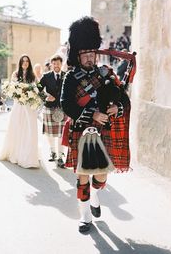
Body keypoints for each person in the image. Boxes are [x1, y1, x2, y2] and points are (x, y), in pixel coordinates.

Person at [61, 16, 131, 233]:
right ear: (78, 55)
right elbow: (66, 105)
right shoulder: (71, 78)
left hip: (104, 132)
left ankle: (96, 196)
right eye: (86, 54)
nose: (90, 57)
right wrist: (92, 114)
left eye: (93, 53)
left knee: (101, 176)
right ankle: (84, 217)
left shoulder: (106, 74)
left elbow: (125, 101)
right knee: (82, 175)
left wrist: (115, 108)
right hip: (82, 131)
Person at [0, 54, 40, 168]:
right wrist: (20, 93)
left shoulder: (33, 75)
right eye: (23, 61)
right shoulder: (16, 74)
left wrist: (33, 94)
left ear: (29, 63)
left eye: (27, 61)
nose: (25, 63)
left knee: (29, 129)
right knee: (18, 127)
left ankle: (29, 155)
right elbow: (12, 89)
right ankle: (17, 154)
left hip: (29, 107)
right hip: (19, 106)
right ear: (20, 63)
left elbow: (37, 88)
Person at [39, 54, 66, 168]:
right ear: (51, 64)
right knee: (49, 133)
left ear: (61, 64)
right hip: (49, 108)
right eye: (54, 63)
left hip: (62, 108)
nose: (56, 65)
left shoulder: (66, 76)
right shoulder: (46, 76)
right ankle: (53, 151)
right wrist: (45, 96)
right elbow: (37, 89)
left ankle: (60, 156)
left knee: (61, 134)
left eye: (58, 63)